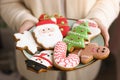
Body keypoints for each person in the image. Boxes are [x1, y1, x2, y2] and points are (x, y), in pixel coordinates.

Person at [0, 0, 119, 80]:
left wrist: (98, 18)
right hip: (36, 63)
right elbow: (7, 2)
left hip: (85, 67)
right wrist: (23, 19)